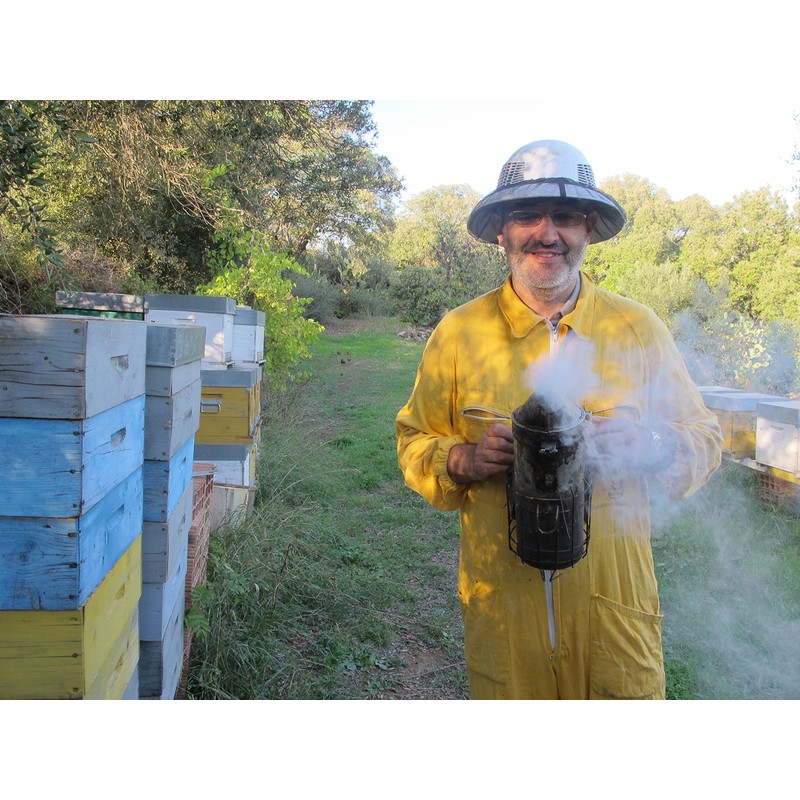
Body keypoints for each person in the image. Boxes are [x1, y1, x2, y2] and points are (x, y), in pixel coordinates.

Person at [395, 139, 723, 700]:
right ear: (501, 229)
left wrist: (651, 441)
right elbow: (413, 439)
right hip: (503, 605)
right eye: (527, 214)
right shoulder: (459, 333)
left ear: (589, 228)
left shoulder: (638, 328)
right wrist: (462, 458)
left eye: (566, 216)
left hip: (613, 608)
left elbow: (705, 438)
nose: (547, 233)